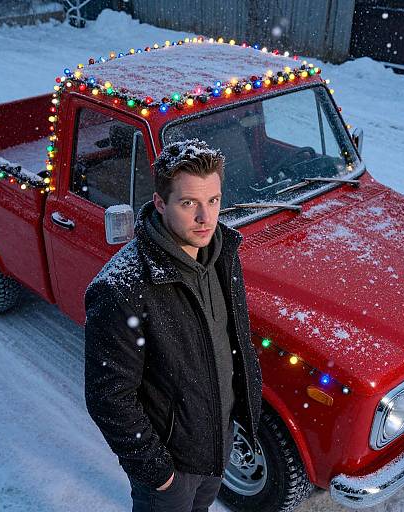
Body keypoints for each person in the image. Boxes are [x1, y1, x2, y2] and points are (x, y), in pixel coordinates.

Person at [84, 138, 262, 511]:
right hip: (171, 468)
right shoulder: (122, 288)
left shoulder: (223, 253)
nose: (206, 218)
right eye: (189, 203)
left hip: (217, 447)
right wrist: (158, 472)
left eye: (213, 201)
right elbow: (108, 398)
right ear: (161, 203)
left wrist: (237, 420)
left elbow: (235, 341)